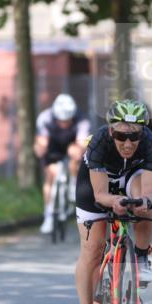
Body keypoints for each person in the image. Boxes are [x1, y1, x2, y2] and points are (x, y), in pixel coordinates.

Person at [73, 99, 152, 304]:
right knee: (92, 250)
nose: (128, 143)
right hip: (95, 186)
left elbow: (151, 192)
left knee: (145, 203)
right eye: (122, 135)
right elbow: (101, 195)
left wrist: (144, 201)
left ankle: (142, 256)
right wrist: (115, 201)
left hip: (129, 178)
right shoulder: (99, 143)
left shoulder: (151, 144)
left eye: (134, 136)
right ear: (112, 130)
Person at [34, 94, 90, 234]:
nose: (64, 123)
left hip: (72, 144)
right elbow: (41, 141)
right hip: (53, 146)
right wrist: (40, 148)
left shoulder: (82, 119)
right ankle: (48, 215)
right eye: (61, 120)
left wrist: (78, 151)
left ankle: (73, 187)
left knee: (76, 156)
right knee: (51, 174)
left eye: (67, 120)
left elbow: (82, 142)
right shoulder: (45, 118)